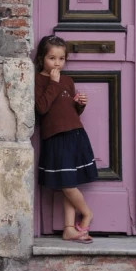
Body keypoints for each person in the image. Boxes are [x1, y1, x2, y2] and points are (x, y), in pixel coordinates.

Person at [34, 34, 98, 243]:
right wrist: (52, 83)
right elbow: (42, 108)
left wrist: (79, 103)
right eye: (52, 58)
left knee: (69, 182)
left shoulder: (68, 81)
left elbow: (69, 111)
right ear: (42, 58)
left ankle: (69, 228)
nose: (57, 63)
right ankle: (87, 214)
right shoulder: (37, 80)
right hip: (55, 138)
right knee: (67, 184)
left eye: (61, 59)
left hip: (74, 134)